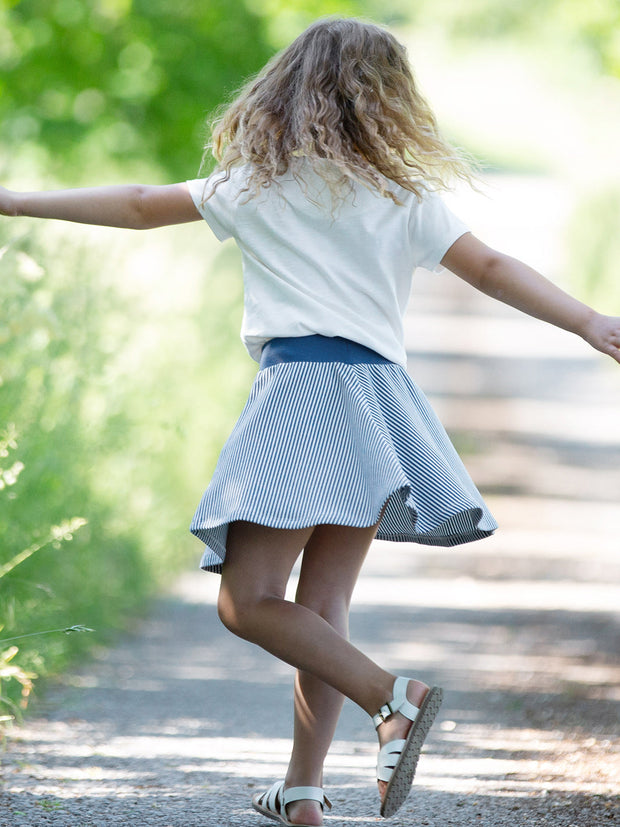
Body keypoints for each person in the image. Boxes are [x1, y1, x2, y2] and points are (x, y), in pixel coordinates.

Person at [2, 16, 619, 826]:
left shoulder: (258, 183)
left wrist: (15, 199)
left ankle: (391, 697)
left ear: (284, 88)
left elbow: (143, 204)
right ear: (390, 103)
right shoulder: (403, 196)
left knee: (247, 599)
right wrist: (585, 321)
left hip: (302, 394)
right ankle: (302, 788)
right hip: (378, 400)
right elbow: (494, 268)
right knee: (322, 609)